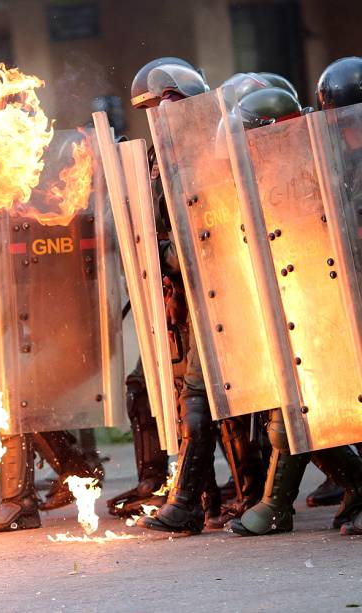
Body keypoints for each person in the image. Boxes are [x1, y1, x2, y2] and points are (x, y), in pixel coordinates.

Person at [130, 60, 267, 534]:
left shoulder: (212, 148)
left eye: (166, 106)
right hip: (185, 295)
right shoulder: (159, 155)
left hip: (222, 285)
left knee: (208, 395)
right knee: (196, 394)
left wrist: (165, 253)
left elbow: (214, 226)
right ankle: (208, 500)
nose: (160, 116)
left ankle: (206, 500)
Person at [229, 61, 362, 537]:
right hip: (313, 300)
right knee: (295, 408)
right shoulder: (303, 168)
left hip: (344, 300)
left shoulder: (333, 165)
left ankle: (279, 504)